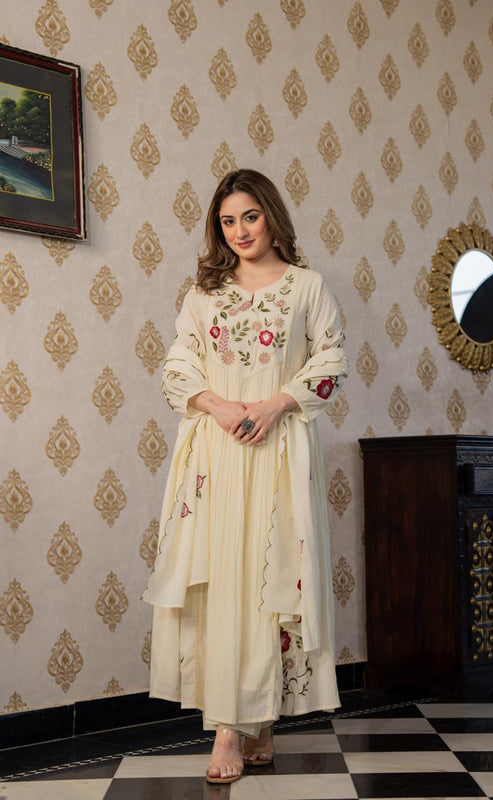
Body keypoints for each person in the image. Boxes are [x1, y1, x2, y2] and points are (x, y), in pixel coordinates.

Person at [142, 168, 348, 784]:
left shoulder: (307, 287)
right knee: (226, 582)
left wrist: (278, 403)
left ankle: (260, 720)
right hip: (217, 452)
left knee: (271, 582)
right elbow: (177, 364)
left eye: (250, 217)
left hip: (280, 453)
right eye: (227, 221)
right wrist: (219, 406)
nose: (239, 231)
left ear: (272, 216)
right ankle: (228, 727)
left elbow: (332, 359)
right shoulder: (204, 293)